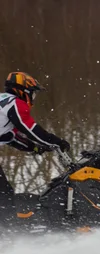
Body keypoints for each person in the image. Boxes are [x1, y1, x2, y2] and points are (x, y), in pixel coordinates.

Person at [0, 71, 70, 229]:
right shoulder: (15, 103)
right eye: (33, 93)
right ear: (23, 91)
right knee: (3, 193)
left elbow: (12, 137)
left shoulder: (3, 102)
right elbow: (30, 129)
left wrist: (35, 147)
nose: (33, 99)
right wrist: (56, 141)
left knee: (3, 192)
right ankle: (8, 233)